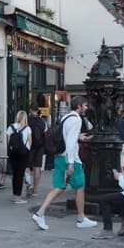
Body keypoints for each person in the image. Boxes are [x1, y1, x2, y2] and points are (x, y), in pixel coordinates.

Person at [31, 96, 97, 231]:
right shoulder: (77, 120)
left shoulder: (65, 117)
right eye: (85, 105)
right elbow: (71, 142)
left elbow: (66, 136)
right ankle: (81, 218)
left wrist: (79, 137)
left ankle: (40, 213)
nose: (86, 108)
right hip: (70, 158)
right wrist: (71, 163)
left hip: (60, 156)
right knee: (80, 186)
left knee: (59, 187)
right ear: (78, 106)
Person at [6, 111, 32, 204]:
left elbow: (8, 142)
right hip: (23, 154)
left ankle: (14, 195)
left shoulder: (10, 127)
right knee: (20, 175)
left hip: (13, 154)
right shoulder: (27, 128)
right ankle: (18, 197)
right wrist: (26, 150)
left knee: (15, 174)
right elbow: (29, 142)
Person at [26, 103, 47, 197]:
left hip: (30, 146)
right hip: (40, 146)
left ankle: (28, 185)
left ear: (30, 110)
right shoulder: (43, 121)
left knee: (27, 166)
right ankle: (35, 189)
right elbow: (45, 133)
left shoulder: (27, 120)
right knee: (37, 167)